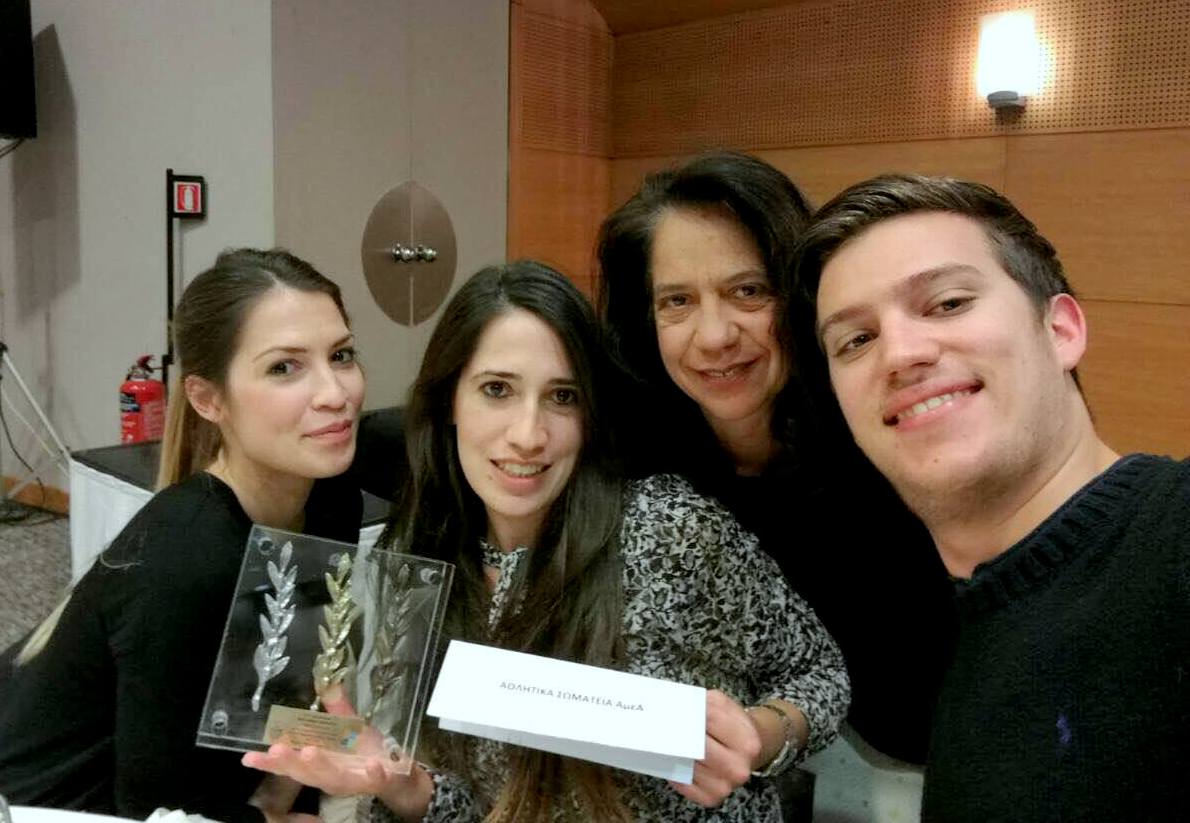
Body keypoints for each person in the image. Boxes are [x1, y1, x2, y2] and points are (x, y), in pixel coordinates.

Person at [243, 261, 850, 822]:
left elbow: (819, 673)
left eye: (563, 397)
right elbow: (475, 805)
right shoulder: (417, 564)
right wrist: (400, 784)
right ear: (450, 399)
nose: (529, 435)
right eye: (497, 390)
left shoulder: (666, 530)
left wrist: (759, 735)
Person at [794, 173, 1189, 820]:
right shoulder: (971, 641)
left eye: (948, 303)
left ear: (1060, 330)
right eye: (856, 340)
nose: (900, 353)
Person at [596, 150, 954, 764]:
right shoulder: (630, 472)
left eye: (748, 291)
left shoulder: (886, 449)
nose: (714, 336)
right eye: (677, 301)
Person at [0, 248, 366, 822]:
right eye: (284, 368)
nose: (335, 393)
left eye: (341, 355)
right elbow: (154, 810)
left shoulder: (330, 497)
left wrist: (281, 797)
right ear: (207, 399)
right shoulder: (187, 554)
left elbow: (289, 692)